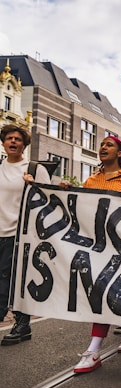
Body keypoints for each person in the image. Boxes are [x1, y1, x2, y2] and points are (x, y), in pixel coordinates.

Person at [72, 136, 121, 372]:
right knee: (105, 291)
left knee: (106, 291)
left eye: (109, 145)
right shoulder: (91, 180)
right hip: (98, 247)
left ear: (120, 154)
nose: (103, 147)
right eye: (102, 144)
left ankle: (94, 350)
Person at [0, 124, 51, 345]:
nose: (13, 142)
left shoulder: (33, 167)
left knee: (8, 280)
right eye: (9, 138)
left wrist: (34, 185)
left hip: (18, 234)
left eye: (17, 139)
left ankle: (21, 324)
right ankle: (22, 325)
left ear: (24, 144)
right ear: (3, 142)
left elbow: (49, 199)